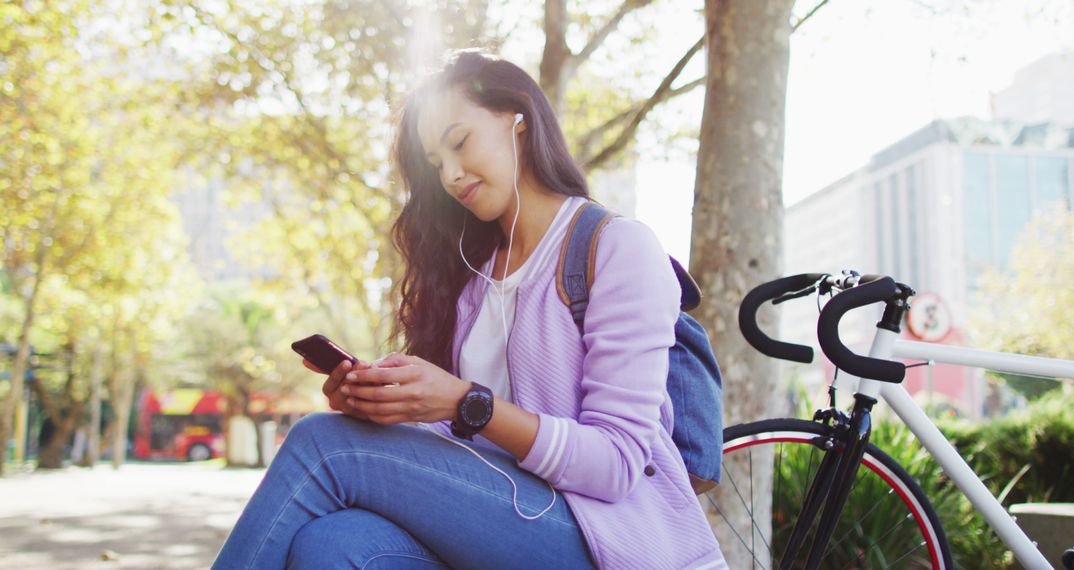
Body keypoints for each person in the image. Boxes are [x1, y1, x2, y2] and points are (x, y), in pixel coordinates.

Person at [211, 50, 726, 569]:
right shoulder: (473, 278)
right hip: (502, 522)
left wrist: (465, 403)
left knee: (323, 446)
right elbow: (461, 444)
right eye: (436, 165)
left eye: (459, 142)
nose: (452, 175)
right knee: (332, 543)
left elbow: (616, 464)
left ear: (516, 117)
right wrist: (388, 407)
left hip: (606, 539)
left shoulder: (616, 247)